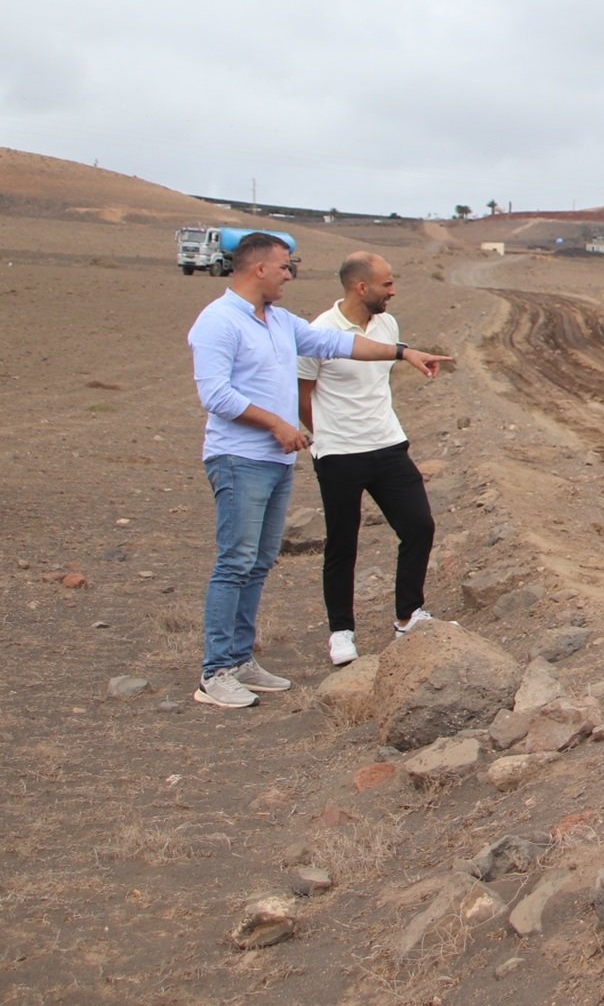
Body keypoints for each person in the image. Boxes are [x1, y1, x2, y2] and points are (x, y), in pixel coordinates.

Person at [186, 233, 453, 709]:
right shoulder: (218, 321)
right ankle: (216, 671)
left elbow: (337, 342)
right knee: (234, 562)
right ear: (259, 269)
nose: (291, 274)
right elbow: (215, 395)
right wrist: (277, 423)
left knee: (259, 562)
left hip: (275, 458)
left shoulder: (278, 321)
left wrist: (402, 352)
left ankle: (241, 659)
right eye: (285, 266)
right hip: (238, 457)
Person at [297, 251, 445, 667]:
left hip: (387, 444)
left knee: (419, 526)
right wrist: (325, 436)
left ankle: (408, 616)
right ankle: (341, 632)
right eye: (387, 284)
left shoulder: (388, 324)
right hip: (339, 453)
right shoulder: (318, 333)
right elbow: (302, 397)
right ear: (361, 287)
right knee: (343, 544)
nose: (393, 290)